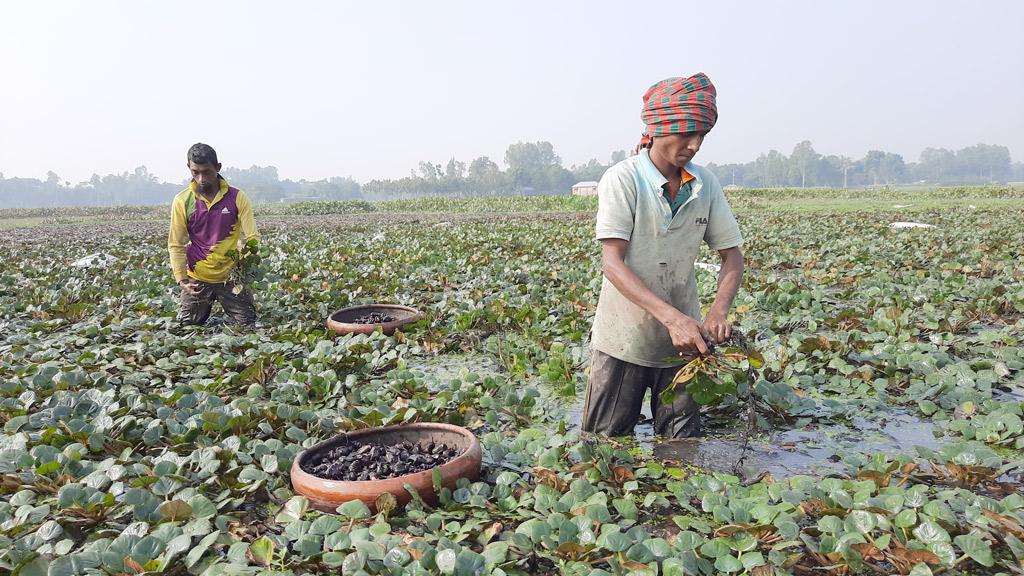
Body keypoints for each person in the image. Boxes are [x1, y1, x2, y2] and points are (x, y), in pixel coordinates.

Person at [582, 74, 745, 438]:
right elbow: (613, 264)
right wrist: (673, 320)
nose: (695, 144)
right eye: (686, 133)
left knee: (682, 450)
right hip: (623, 340)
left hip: (685, 348)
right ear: (656, 129)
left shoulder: (705, 185)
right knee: (604, 449)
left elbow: (732, 257)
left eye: (701, 134)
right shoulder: (624, 180)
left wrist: (718, 312)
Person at [168, 143, 260, 327]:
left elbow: (252, 238)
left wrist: (246, 268)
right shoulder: (182, 201)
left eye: (207, 172)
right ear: (189, 168)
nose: (201, 178)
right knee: (186, 328)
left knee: (247, 326)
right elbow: (176, 243)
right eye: (195, 172)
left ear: (218, 168)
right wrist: (181, 279)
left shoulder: (237, 197)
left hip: (232, 277)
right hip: (197, 277)